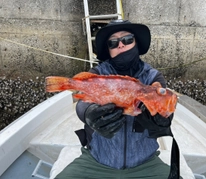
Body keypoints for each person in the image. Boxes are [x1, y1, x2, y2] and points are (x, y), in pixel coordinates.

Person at [56, 20, 179, 179]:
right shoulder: (98, 73)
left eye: (127, 39)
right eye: (113, 42)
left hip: (145, 163)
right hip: (97, 160)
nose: (121, 45)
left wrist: (163, 119)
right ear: (108, 50)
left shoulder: (152, 77)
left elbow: (162, 100)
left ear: (136, 43)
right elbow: (82, 104)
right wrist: (88, 114)